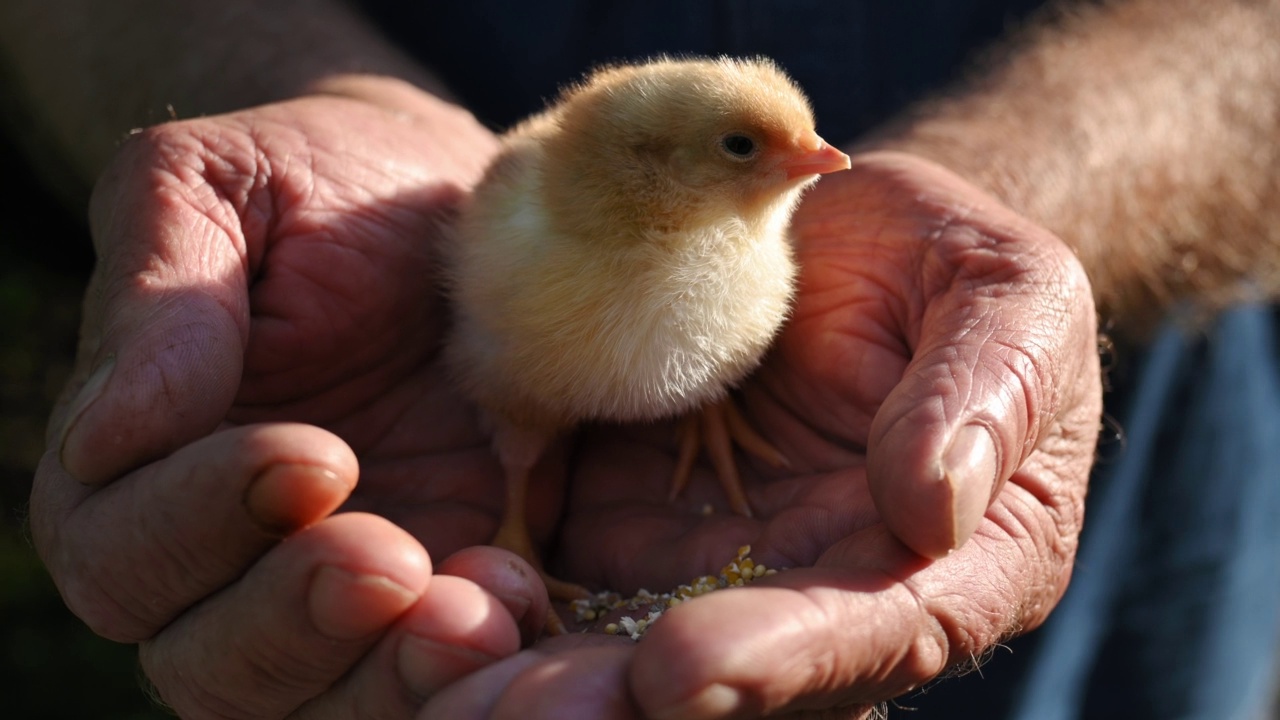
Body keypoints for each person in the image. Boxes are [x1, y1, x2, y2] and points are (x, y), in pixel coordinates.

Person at [3, 0, 1276, 718]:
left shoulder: (741, 235)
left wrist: (993, 203)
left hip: (1130, 478)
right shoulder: (532, 229)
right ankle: (511, 509)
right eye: (749, 149)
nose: (811, 161)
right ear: (653, 166)